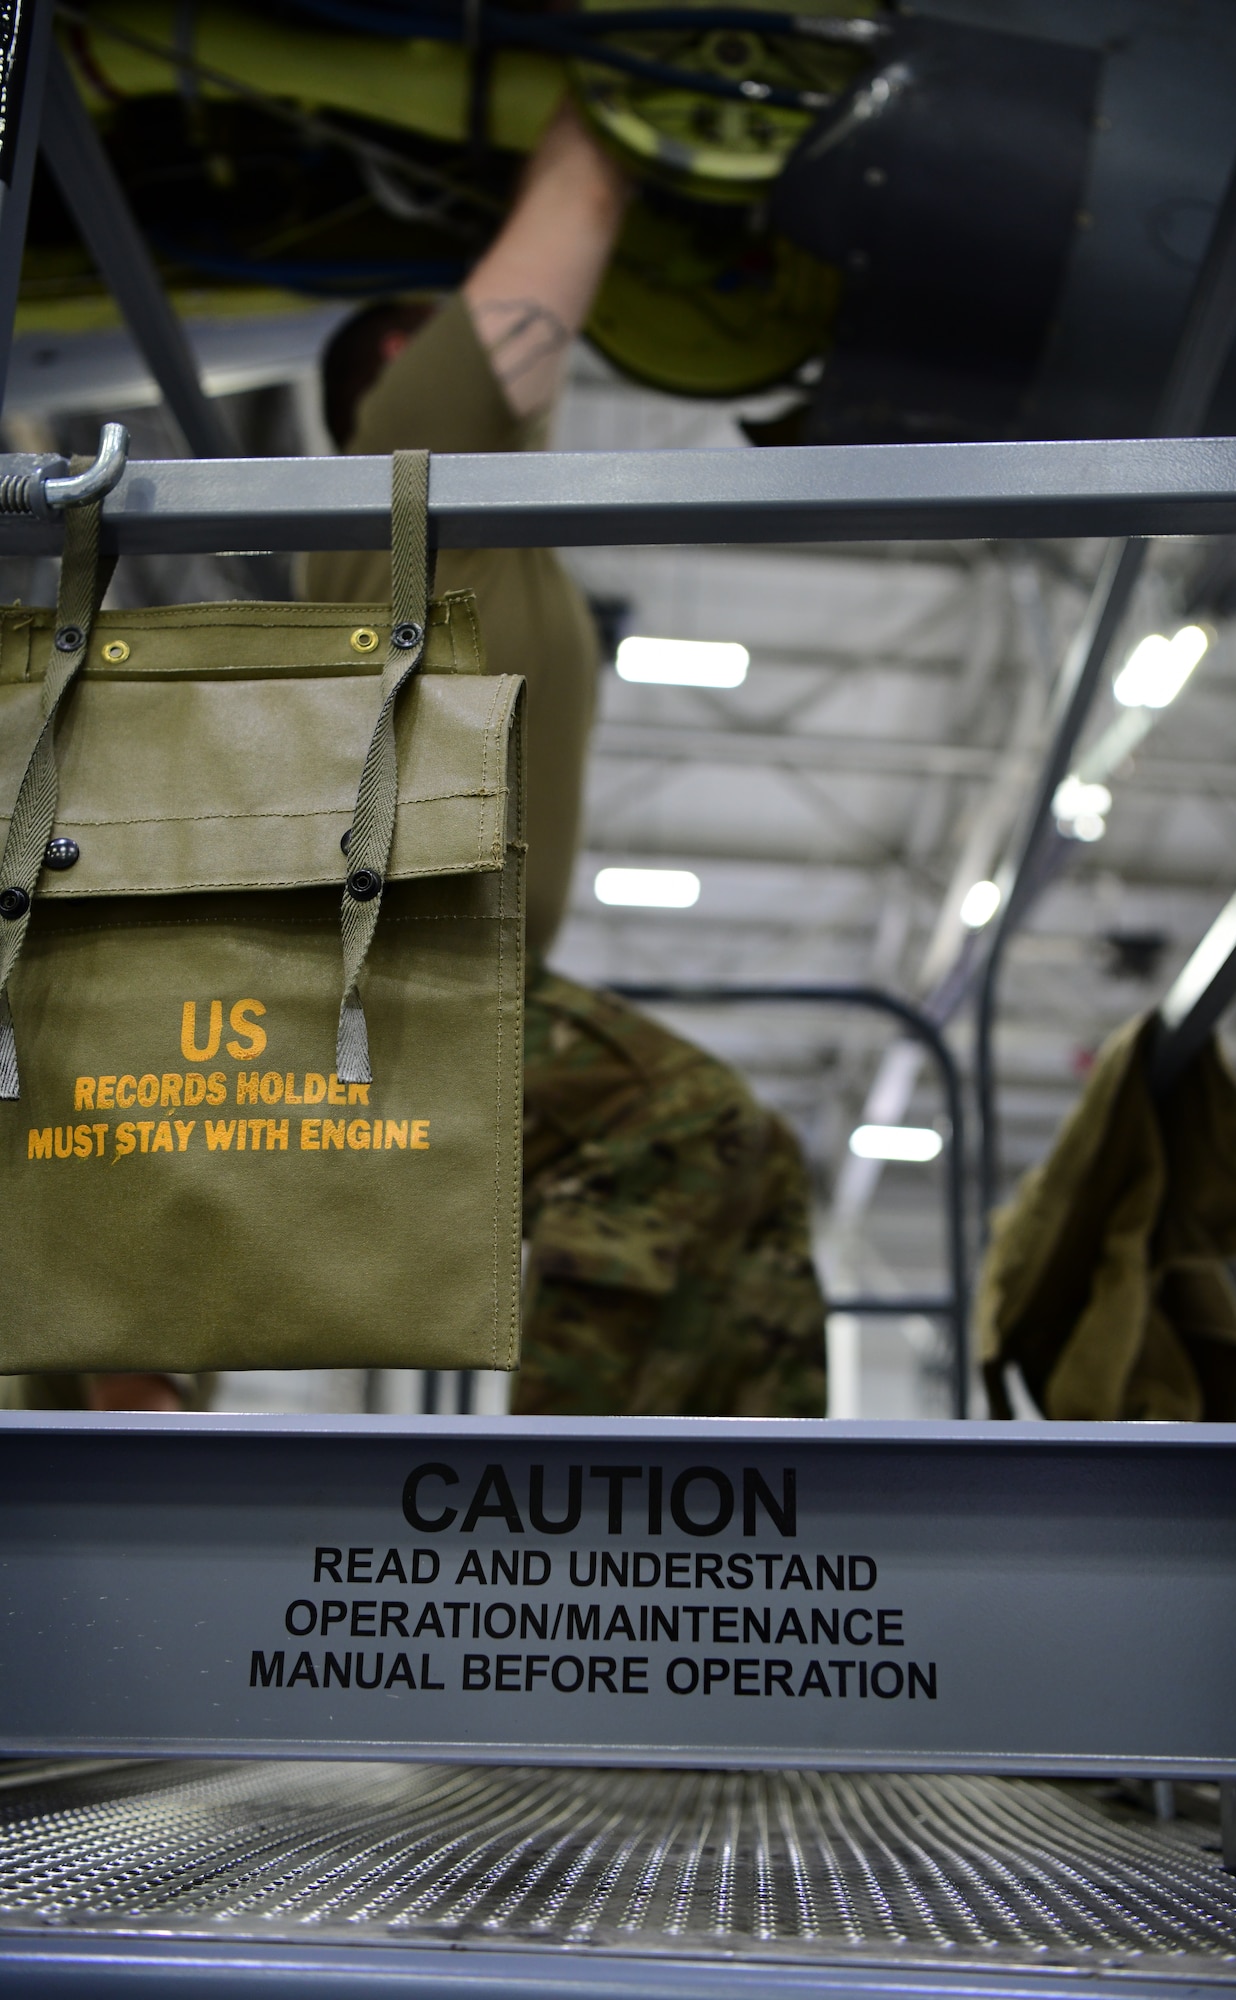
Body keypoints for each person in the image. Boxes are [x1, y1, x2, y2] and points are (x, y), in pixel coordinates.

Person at [5, 103, 828, 1418]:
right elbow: (569, 226)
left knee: (709, 1147)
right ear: (397, 356)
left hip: (427, 983)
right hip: (403, 983)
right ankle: (593, 1544)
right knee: (692, 1138)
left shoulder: (490, 538)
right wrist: (609, 118)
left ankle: (111, 1470)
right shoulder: (415, 453)